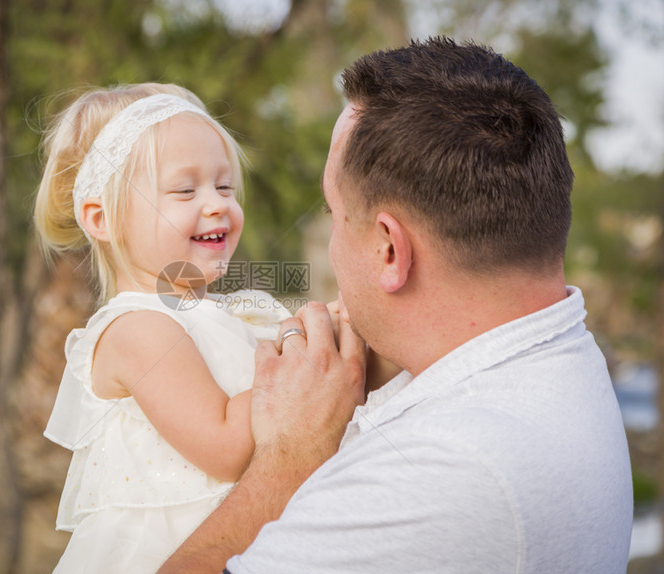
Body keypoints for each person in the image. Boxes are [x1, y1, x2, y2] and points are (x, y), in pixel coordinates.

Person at [160, 38, 633, 573]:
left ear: (389, 249)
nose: (335, 247)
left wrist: (291, 454)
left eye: (336, 215)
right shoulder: (556, 352)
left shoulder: (443, 473)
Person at [34, 83, 292, 573]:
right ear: (102, 218)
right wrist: (301, 354)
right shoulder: (137, 330)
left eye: (224, 186)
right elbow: (226, 447)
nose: (216, 204)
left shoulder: (238, 314)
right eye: (184, 190)